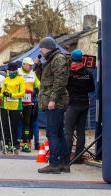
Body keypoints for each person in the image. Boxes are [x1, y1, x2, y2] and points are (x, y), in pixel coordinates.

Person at [35, 37, 70, 174]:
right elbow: (44, 80)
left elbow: (60, 81)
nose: (40, 51)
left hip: (56, 102)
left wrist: (53, 99)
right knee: (59, 133)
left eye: (41, 48)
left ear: (47, 47)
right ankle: (64, 163)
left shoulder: (58, 59)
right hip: (52, 101)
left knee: (52, 133)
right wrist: (38, 66)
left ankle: (54, 163)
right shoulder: (50, 60)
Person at [64, 49, 95, 164]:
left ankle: (66, 157)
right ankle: (78, 158)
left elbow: (65, 87)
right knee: (81, 131)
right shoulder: (89, 73)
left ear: (72, 59)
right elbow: (92, 89)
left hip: (72, 105)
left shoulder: (70, 73)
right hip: (84, 104)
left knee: (68, 131)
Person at [0, 62, 25, 152]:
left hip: (16, 106)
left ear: (16, 70)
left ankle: (14, 143)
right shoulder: (6, 79)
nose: (11, 72)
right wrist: (1, 94)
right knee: (5, 125)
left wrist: (11, 94)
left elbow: (22, 93)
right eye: (9, 71)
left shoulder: (20, 79)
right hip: (5, 106)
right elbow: (2, 92)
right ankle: (7, 143)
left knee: (14, 126)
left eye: (13, 70)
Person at [17, 57, 40, 152]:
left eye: (32, 65)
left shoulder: (33, 73)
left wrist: (37, 90)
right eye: (29, 65)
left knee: (27, 123)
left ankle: (26, 142)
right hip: (18, 101)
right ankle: (17, 141)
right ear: (24, 64)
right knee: (18, 123)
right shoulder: (18, 72)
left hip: (29, 102)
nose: (31, 67)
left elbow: (39, 84)